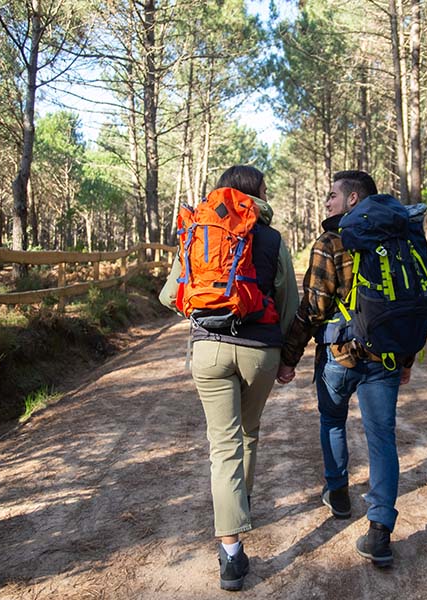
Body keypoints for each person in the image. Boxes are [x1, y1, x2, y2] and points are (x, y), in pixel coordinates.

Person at [162, 165, 298, 591]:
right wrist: (286, 357)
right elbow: (288, 303)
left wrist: (207, 312)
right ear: (258, 194)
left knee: (222, 445)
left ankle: (232, 553)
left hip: (209, 349)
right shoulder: (273, 239)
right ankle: (240, 503)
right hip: (260, 351)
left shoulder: (201, 231)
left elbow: (170, 295)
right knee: (248, 434)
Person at [276, 170, 414, 568]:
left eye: (333, 195)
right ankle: (380, 531)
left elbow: (315, 307)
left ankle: (337, 493)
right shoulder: (399, 238)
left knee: (333, 421)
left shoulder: (331, 241)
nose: (327, 202)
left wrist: (290, 354)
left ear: (354, 199)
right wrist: (405, 359)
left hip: (339, 355)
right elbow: (407, 301)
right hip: (385, 357)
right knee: (382, 438)